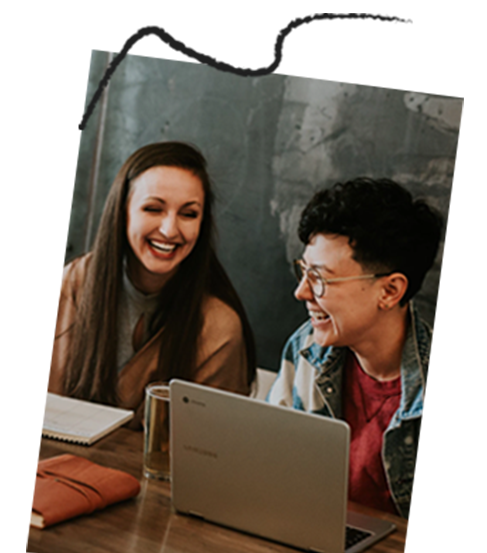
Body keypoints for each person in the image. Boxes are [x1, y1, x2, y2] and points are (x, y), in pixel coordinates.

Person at [267, 178, 443, 516]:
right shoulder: (306, 348)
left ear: (389, 291)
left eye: (319, 278)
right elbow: (266, 465)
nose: (301, 292)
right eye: (303, 272)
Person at [51, 141, 256, 429]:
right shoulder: (75, 282)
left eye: (188, 214)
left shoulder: (219, 326)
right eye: (153, 208)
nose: (170, 230)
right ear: (123, 212)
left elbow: (208, 452)